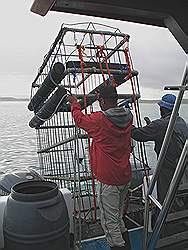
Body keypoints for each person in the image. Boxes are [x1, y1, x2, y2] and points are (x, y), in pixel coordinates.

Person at [67, 85, 133, 250]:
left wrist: (74, 103)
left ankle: (119, 247)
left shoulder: (100, 120)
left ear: (102, 100)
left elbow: (79, 119)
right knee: (117, 217)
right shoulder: (128, 116)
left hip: (108, 181)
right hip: (124, 177)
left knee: (109, 224)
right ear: (116, 99)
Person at [131, 94, 188, 207]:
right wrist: (151, 127)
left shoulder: (160, 125)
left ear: (162, 108)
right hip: (182, 168)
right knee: (180, 196)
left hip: (167, 168)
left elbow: (138, 135)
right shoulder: (182, 122)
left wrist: (129, 125)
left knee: (166, 198)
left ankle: (166, 222)